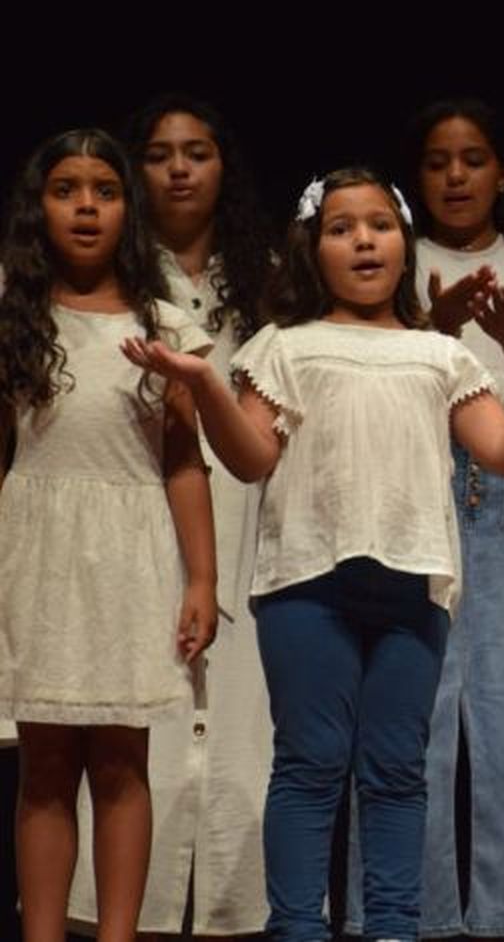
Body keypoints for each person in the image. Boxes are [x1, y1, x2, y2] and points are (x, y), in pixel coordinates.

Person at [122, 167, 504, 942]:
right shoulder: (285, 346)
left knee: (400, 771)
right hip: (307, 585)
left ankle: (394, 928)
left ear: (404, 244)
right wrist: (204, 385)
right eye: (341, 227)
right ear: (313, 249)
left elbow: (502, 452)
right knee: (310, 764)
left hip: (412, 588)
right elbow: (250, 459)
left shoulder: (440, 354)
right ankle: (298, 927)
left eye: (380, 225)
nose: (363, 239)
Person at [342, 98, 504, 939]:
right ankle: (399, 920)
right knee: (408, 719)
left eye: (473, 159)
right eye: (440, 161)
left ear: (503, 171)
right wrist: (437, 326)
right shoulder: (394, 258)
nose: (455, 176)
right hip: (413, 488)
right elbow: (372, 362)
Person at [0, 128, 218, 942]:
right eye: (66, 189)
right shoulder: (12, 310)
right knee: (45, 764)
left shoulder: (161, 322)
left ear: (130, 207)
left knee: (123, 760)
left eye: (105, 189)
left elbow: (182, 461)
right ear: (38, 206)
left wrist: (201, 578)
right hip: (38, 547)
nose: (86, 206)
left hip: (130, 551)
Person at [67, 94, 274, 938]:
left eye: (198, 151)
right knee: (121, 726)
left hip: (249, 515)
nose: (180, 169)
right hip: (127, 518)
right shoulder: (113, 272)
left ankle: (232, 907)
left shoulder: (268, 274)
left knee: (244, 728)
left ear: (225, 165)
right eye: (158, 154)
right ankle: (114, 912)